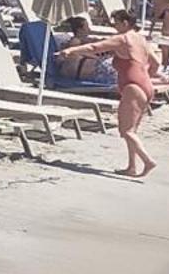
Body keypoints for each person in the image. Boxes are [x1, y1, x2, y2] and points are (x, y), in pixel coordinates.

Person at [59, 10, 159, 178]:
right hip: (146, 85)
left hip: (133, 86)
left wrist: (71, 51)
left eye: (116, 22)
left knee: (126, 131)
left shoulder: (123, 38)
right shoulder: (141, 39)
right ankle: (132, 167)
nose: (114, 26)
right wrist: (146, 75)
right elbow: (156, 63)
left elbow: (94, 47)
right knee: (132, 130)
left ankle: (148, 161)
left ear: (125, 23)